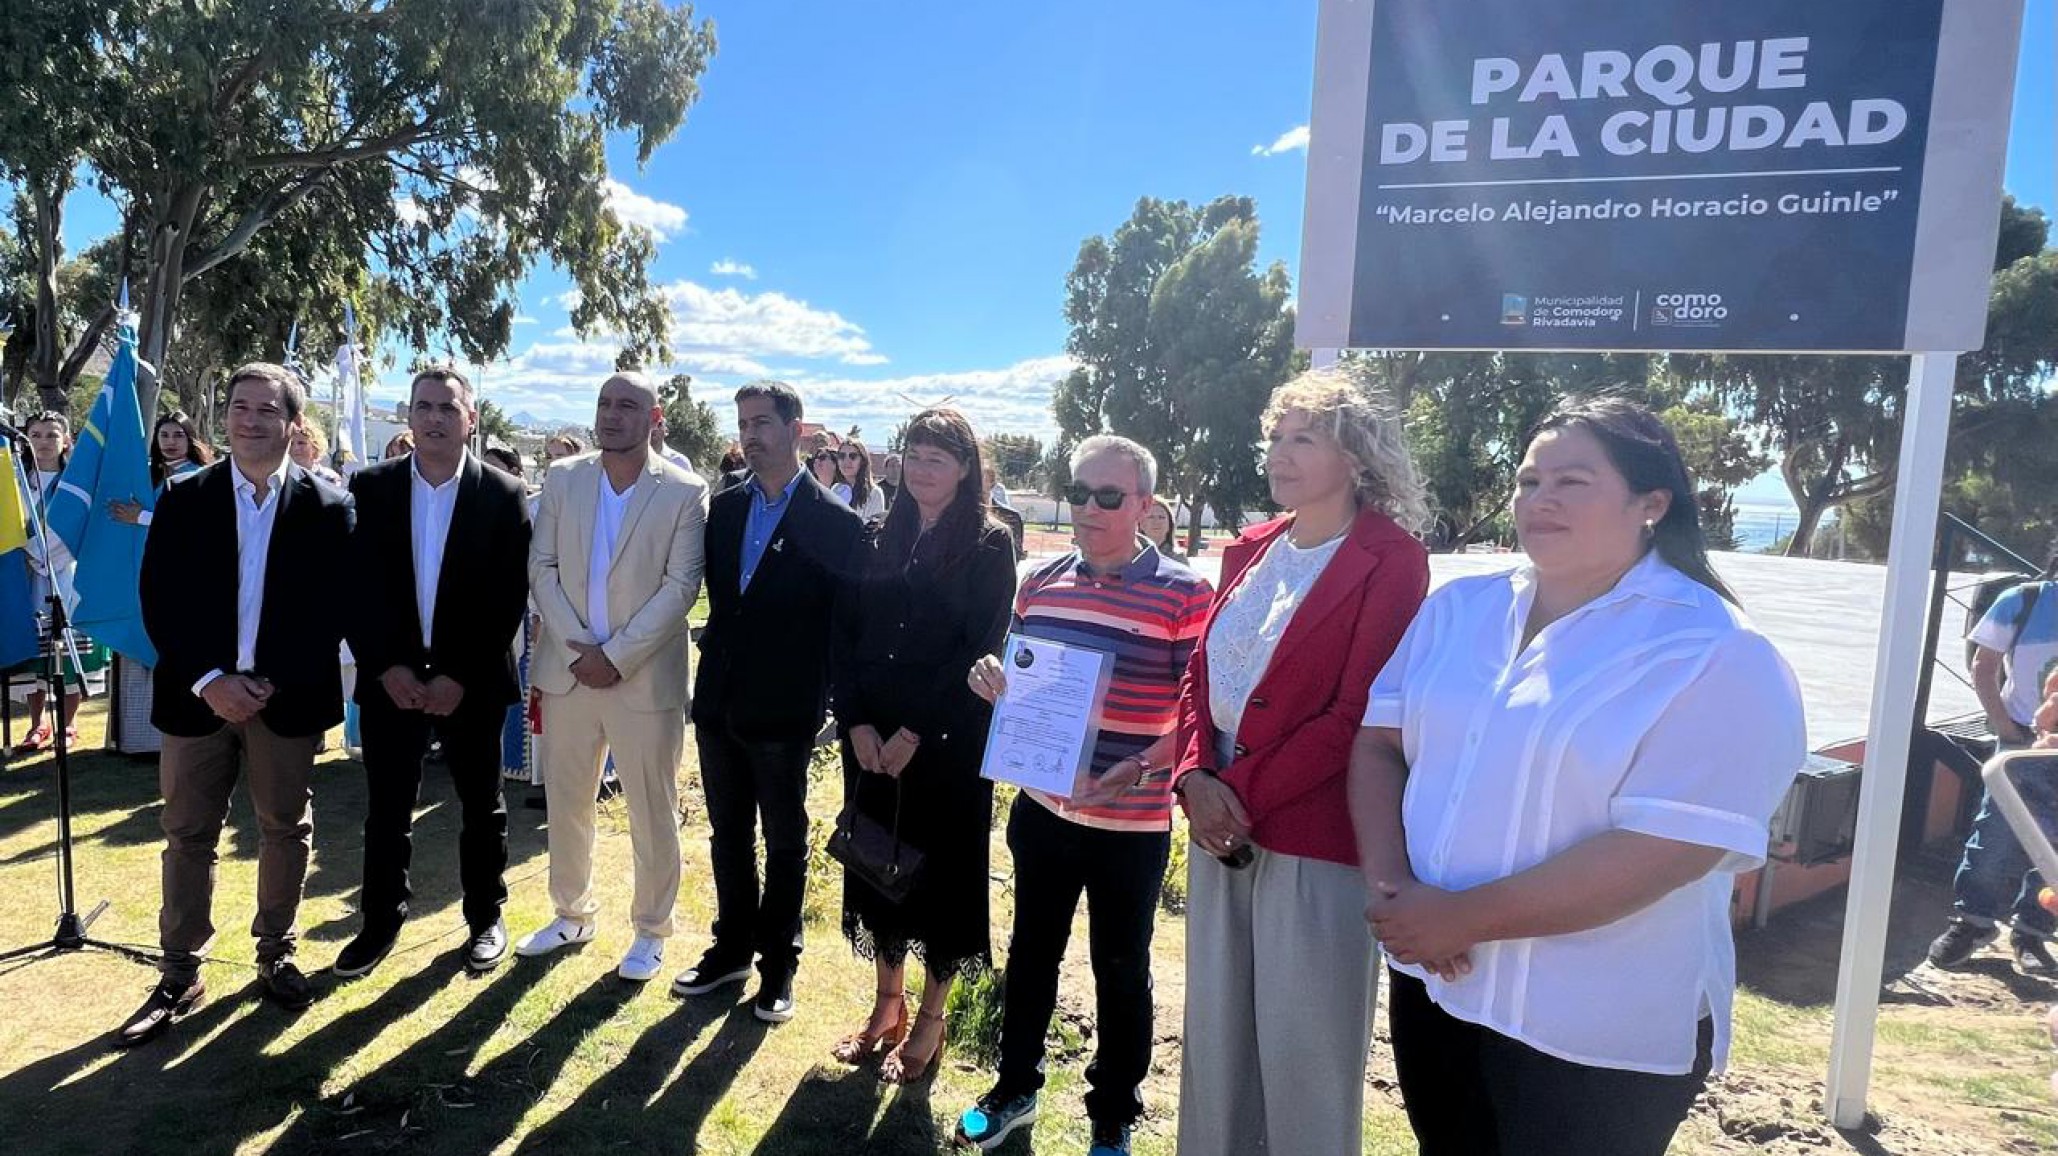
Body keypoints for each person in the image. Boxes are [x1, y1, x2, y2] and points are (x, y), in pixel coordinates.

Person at [1352, 398, 1806, 1156]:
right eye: (1529, 482)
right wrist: (1393, 889)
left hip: (1592, 1028)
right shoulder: (1458, 611)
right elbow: (1378, 747)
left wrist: (1464, 918)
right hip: (1439, 985)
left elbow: (1668, 848)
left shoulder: (1717, 652)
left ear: (1652, 503)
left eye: (1571, 481)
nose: (1540, 500)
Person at [1171, 368, 1431, 1156]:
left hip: (1314, 835)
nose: (1279, 454)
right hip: (1218, 824)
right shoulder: (1250, 547)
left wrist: (1232, 795)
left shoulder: (1392, 559)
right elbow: (1199, 674)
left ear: (1354, 456)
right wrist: (1191, 777)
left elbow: (1356, 713)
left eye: (1303, 439)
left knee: (1304, 1058)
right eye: (1276, 438)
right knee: (1216, 1046)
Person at [954, 436, 1213, 1156]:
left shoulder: (1186, 594)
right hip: (1042, 811)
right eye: (1079, 492)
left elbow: (1202, 715)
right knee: (1031, 953)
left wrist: (1139, 766)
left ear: (1144, 507)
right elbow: (1021, 673)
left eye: (1108, 496)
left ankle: (1113, 1114)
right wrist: (992, 680)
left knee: (1122, 968)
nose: (1089, 509)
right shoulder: (1040, 581)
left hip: (1130, 824)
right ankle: (1014, 1089)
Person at [116, 363, 355, 1047]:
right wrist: (211, 680)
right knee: (188, 833)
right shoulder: (184, 499)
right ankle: (178, 971)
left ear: (293, 424)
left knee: (285, 827)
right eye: (239, 407)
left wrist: (266, 681)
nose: (249, 421)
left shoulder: (330, 507)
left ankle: (275, 951)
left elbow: (330, 609)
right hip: (198, 700)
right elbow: (160, 601)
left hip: (286, 700)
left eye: (266, 410)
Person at [828, 408, 1016, 1084]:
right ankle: (887, 1005)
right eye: (914, 453)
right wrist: (854, 724)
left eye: (939, 456)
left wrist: (914, 732)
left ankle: (931, 1022)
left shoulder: (992, 544)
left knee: (939, 882)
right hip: (869, 740)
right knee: (879, 871)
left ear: (965, 469)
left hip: (946, 742)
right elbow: (841, 636)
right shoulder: (874, 534)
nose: (922, 466)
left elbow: (980, 645)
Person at [672, 381, 863, 1023]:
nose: (750, 435)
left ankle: (778, 965)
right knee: (728, 833)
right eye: (743, 424)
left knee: (784, 838)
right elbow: (722, 608)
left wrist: (835, 706)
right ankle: (730, 947)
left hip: (784, 712)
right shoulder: (723, 510)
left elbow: (844, 625)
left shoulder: (835, 522)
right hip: (721, 703)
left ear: (797, 430)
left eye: (762, 423)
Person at [334, 367, 532, 979]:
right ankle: (380, 923)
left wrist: (458, 676)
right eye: (423, 407)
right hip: (389, 679)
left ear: (471, 418)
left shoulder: (502, 494)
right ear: (409, 417)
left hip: (468, 682)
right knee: (387, 808)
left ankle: (485, 919)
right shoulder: (369, 487)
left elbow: (507, 597)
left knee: (482, 804)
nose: (435, 418)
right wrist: (386, 666)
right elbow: (355, 590)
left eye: (448, 407)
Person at [514, 371, 708, 982]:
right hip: (568, 672)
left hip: (643, 680)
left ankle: (652, 930)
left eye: (627, 405)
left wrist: (615, 655)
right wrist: (579, 646)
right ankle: (571, 913)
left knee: (652, 808)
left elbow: (681, 588)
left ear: (655, 420)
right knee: (568, 801)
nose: (611, 414)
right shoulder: (566, 478)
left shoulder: (683, 490)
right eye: (603, 403)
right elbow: (540, 566)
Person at [1928, 540, 2058, 974]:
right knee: (1994, 841)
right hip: (2020, 748)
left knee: (2054, 854)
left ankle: (2032, 934)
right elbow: (1984, 665)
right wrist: (2004, 725)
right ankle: (1973, 923)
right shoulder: (2022, 601)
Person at [12, 412, 107, 752]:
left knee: (70, 653)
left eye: (51, 435)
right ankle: (37, 725)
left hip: (68, 575)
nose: (43, 442)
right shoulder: (15, 479)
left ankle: (67, 724)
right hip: (26, 576)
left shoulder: (76, 483)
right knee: (35, 653)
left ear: (66, 440)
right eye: (35, 434)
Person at [832, 438, 887, 521]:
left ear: (862, 461)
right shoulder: (835, 489)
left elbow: (871, 528)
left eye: (853, 456)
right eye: (842, 456)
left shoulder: (875, 493)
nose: (847, 461)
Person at [291, 420, 343, 485]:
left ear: (315, 446)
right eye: (291, 443)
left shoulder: (329, 478)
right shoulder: (282, 477)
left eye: (301, 443)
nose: (295, 448)